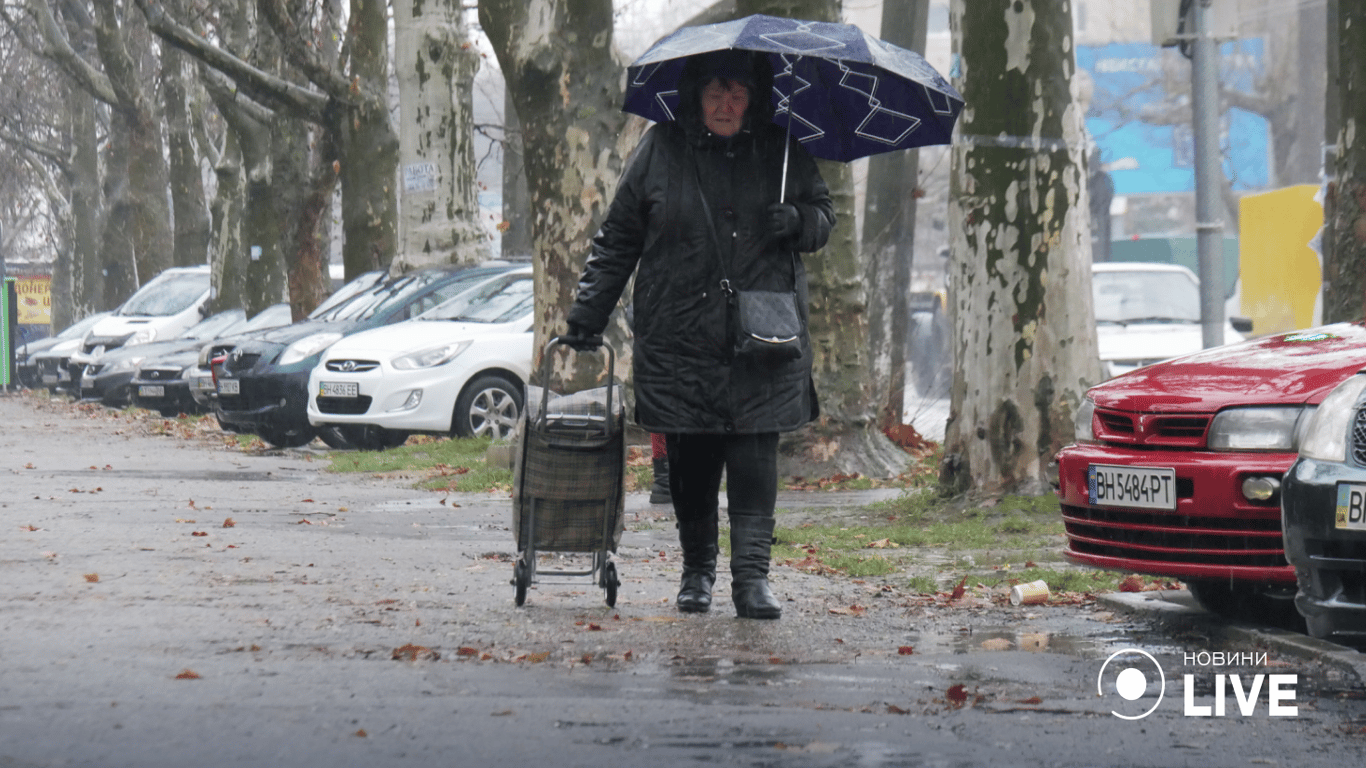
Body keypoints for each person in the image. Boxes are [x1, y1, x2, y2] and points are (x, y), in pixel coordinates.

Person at [564, 49, 835, 620]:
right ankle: (697, 573)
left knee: (755, 454)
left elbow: (823, 216)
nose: (726, 106)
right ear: (695, 97)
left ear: (753, 99)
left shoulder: (783, 149)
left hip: (761, 337)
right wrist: (587, 316)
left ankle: (752, 579)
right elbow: (618, 239)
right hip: (680, 332)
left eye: (737, 96)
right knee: (691, 458)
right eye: (715, 95)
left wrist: (799, 222)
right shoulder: (661, 149)